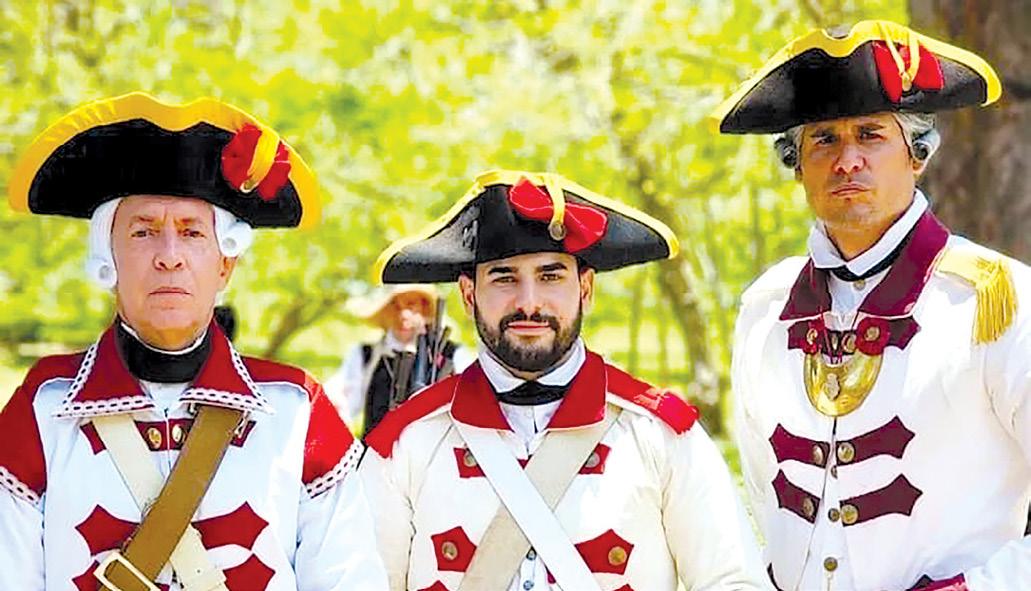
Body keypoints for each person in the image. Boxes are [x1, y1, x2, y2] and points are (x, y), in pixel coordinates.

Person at [0, 92, 387, 590]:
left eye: (191, 233)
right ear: (107, 258)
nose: (169, 255)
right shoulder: (43, 409)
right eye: (143, 233)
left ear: (225, 264)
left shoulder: (296, 411)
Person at [715, 20, 1030, 591]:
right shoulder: (765, 309)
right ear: (797, 165)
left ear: (917, 155)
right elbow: (765, 500)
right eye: (824, 140)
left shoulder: (999, 299)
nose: (847, 160)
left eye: (870, 135)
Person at [359, 169, 770, 591]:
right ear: (468, 295)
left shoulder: (659, 434)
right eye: (504, 278)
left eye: (550, 276)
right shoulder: (408, 441)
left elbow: (733, 581)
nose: (529, 302)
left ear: (585, 289)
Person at [325, 284, 473, 437]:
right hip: (375, 450)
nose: (403, 314)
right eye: (395, 306)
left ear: (424, 309)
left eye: (411, 305)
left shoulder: (453, 356)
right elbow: (341, 400)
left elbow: (472, 406)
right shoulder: (365, 356)